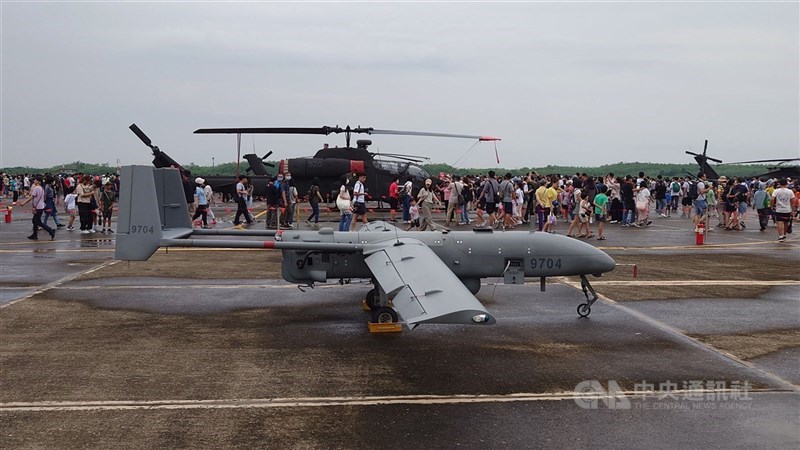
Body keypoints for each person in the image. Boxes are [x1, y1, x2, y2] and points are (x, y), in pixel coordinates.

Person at [18, 175, 55, 240]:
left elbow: (31, 197)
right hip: (40, 206)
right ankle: (35, 234)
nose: (34, 181)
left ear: (38, 181)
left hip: (38, 207)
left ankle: (50, 230)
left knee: (37, 221)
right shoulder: (41, 188)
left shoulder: (36, 188)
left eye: (35, 180)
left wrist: (23, 203)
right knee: (35, 221)